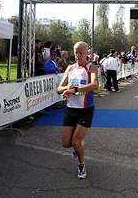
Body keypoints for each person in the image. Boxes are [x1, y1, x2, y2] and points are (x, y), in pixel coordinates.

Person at [56, 41, 99, 179]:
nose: (78, 55)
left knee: (75, 142)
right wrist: (67, 88)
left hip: (85, 110)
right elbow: (59, 89)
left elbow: (95, 84)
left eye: (81, 52)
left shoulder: (91, 68)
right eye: (76, 52)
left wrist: (75, 89)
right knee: (66, 143)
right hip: (71, 109)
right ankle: (79, 145)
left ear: (87, 53)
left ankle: (81, 165)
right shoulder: (70, 68)